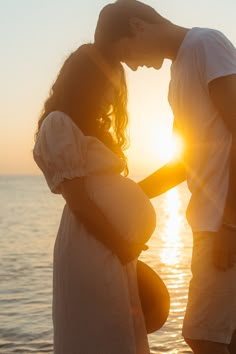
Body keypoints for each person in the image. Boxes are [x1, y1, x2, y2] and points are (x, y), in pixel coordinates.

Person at [94, 1, 236, 353]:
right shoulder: (176, 80)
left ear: (138, 26)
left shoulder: (206, 44)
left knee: (202, 335)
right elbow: (186, 162)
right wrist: (129, 195)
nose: (134, 67)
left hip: (225, 225)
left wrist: (231, 224)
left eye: (127, 55)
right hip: (209, 224)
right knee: (226, 337)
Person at [33, 43, 157, 354]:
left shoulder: (93, 129)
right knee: (98, 331)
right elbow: (80, 201)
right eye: (107, 86)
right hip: (92, 245)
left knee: (119, 331)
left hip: (112, 247)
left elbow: (106, 192)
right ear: (86, 83)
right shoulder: (59, 123)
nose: (112, 97)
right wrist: (120, 243)